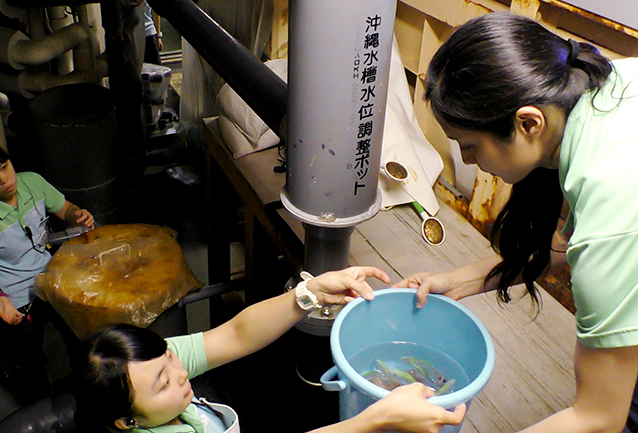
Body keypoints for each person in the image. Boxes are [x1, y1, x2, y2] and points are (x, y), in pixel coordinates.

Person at [393, 11, 638, 433]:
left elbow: (598, 417)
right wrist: (465, 280)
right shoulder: (597, 88)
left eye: (469, 145)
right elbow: (576, 243)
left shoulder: (611, 201)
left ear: (527, 123)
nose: (467, 160)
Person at [81, 266, 467, 433]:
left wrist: (308, 294)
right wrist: (377, 420)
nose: (180, 373)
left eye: (170, 357)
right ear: (127, 422)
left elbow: (234, 335)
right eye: (163, 385)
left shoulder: (147, 366)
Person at [0, 139, 94, 404]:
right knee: (28, 361)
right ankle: (40, 406)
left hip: (51, 278)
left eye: (4, 166)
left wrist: (78, 214)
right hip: (14, 298)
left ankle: (89, 392)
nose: (4, 179)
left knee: (84, 334)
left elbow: (66, 209)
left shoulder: (32, 182)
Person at [143, 1, 162, 65]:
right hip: (131, 34)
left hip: (148, 31)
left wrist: (158, 35)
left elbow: (155, 12)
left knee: (156, 67)